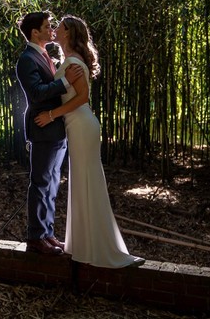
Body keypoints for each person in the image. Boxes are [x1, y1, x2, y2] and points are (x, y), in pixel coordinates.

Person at [35, 14, 145, 268]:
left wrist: (51, 114)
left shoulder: (73, 62)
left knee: (87, 182)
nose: (54, 31)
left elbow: (82, 98)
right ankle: (83, 245)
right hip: (78, 125)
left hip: (82, 124)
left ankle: (100, 248)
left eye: (58, 28)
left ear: (69, 34)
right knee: (82, 182)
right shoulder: (67, 61)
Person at [15, 11, 72, 256]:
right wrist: (65, 81)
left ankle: (47, 233)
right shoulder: (27, 59)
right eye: (48, 27)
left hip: (56, 127)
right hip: (43, 127)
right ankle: (35, 237)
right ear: (35, 32)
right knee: (40, 183)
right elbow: (37, 93)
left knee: (51, 184)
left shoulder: (45, 55)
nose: (52, 30)